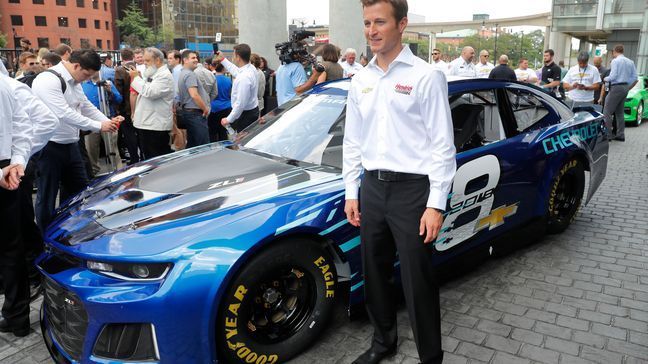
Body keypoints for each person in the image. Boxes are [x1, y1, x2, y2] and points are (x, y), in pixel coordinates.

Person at [343, 1, 455, 363]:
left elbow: (442, 145)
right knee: (374, 274)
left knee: (417, 281)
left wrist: (436, 203)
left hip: (413, 192)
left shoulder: (426, 76)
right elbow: (352, 141)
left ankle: (430, 357)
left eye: (380, 22)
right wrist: (352, 191)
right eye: (366, 23)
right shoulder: (360, 79)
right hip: (372, 188)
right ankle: (383, 343)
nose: (371, 30)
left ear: (401, 24)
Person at [31, 49, 120, 234]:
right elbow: (63, 113)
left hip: (71, 145)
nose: (86, 79)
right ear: (76, 65)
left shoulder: (74, 80)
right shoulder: (48, 80)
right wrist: (98, 126)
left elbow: (85, 105)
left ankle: (71, 233)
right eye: (86, 75)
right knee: (47, 197)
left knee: (79, 192)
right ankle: (45, 238)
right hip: (48, 146)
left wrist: (106, 121)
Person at [0, 76, 33, 338]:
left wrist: (17, 162)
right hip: (7, 169)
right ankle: (16, 316)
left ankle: (16, 315)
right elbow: (24, 126)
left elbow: (23, 125)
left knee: (11, 247)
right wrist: (18, 161)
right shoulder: (4, 83)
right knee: (11, 248)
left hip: (6, 170)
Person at [131, 47, 175, 159]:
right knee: (149, 158)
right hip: (149, 124)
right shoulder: (154, 73)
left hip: (155, 126)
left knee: (156, 159)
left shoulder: (164, 75)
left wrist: (136, 78)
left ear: (158, 60)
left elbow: (150, 92)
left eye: (147, 61)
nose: (144, 63)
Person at [82, 72, 123, 176]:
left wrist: (109, 91)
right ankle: (93, 173)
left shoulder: (107, 83)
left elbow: (119, 99)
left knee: (113, 148)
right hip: (91, 123)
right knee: (91, 149)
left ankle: (118, 172)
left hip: (108, 119)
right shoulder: (83, 85)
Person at [217, 44, 260, 133]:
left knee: (243, 143)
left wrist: (229, 119)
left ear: (238, 57)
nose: (233, 57)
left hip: (246, 115)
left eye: (233, 55)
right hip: (251, 111)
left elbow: (240, 103)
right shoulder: (250, 68)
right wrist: (223, 60)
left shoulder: (244, 77)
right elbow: (236, 71)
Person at [603, 44, 638, 142]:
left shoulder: (615, 61)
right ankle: (620, 135)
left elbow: (613, 76)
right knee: (619, 113)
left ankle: (608, 135)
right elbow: (635, 77)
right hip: (625, 87)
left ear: (614, 51)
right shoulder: (630, 62)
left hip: (616, 87)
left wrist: (605, 78)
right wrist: (627, 87)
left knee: (607, 111)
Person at [176, 50, 210, 147]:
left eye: (196, 58)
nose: (196, 60)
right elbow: (194, 95)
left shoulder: (183, 73)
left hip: (190, 114)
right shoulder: (189, 74)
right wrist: (205, 108)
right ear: (185, 60)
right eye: (193, 58)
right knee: (203, 146)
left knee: (193, 145)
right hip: (195, 114)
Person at [114, 48, 141, 164]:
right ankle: (143, 156)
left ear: (121, 58)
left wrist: (117, 108)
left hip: (125, 108)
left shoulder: (120, 70)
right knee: (139, 133)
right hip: (140, 106)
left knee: (129, 135)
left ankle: (135, 159)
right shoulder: (139, 68)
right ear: (133, 57)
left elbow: (118, 91)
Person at [208, 60, 233, 142]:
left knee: (212, 132)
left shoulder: (212, 79)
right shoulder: (228, 80)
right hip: (226, 107)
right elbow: (231, 94)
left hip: (213, 108)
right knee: (224, 132)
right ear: (223, 69)